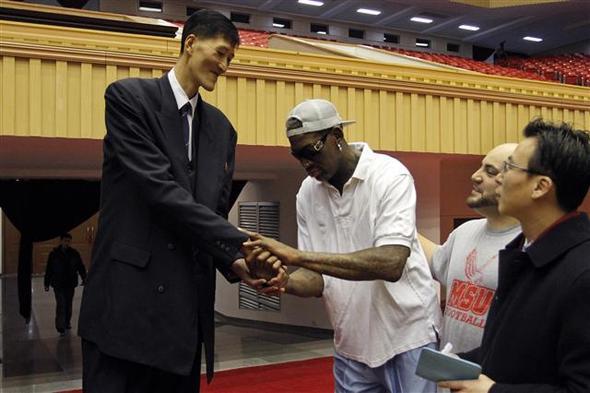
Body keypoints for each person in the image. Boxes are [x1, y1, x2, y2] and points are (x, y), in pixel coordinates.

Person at [78, 10, 284, 393]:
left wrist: (239, 263)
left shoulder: (223, 130)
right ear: (191, 44)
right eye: (221, 53)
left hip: (184, 326)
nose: (224, 66)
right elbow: (162, 193)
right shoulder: (128, 99)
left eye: (231, 59)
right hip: (124, 315)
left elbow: (210, 216)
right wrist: (245, 240)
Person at [245, 99, 441, 393]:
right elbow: (317, 279)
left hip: (408, 337)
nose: (306, 163)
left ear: (337, 136)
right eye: (297, 155)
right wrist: (283, 281)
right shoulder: (307, 194)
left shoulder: (389, 175)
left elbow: (392, 262)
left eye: (311, 150)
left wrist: (296, 255)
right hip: (351, 344)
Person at [439, 119, 590, 392]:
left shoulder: (582, 273)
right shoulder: (523, 251)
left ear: (540, 187)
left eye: (509, 168)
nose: (500, 178)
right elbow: (516, 349)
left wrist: (492, 391)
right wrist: (462, 363)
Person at [419, 143, 520, 354]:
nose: (475, 176)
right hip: (451, 375)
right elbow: (436, 260)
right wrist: (394, 222)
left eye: (490, 171)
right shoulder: (465, 231)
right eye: (480, 167)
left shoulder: (530, 246)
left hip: (494, 382)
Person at [44, 233, 87, 336]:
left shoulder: (74, 253)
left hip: (70, 283)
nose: (67, 243)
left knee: (68, 304)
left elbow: (80, 266)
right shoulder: (54, 254)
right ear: (61, 241)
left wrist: (84, 278)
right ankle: (60, 326)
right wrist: (46, 283)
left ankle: (67, 322)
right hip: (58, 283)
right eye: (65, 241)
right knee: (61, 304)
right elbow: (49, 269)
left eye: (69, 241)